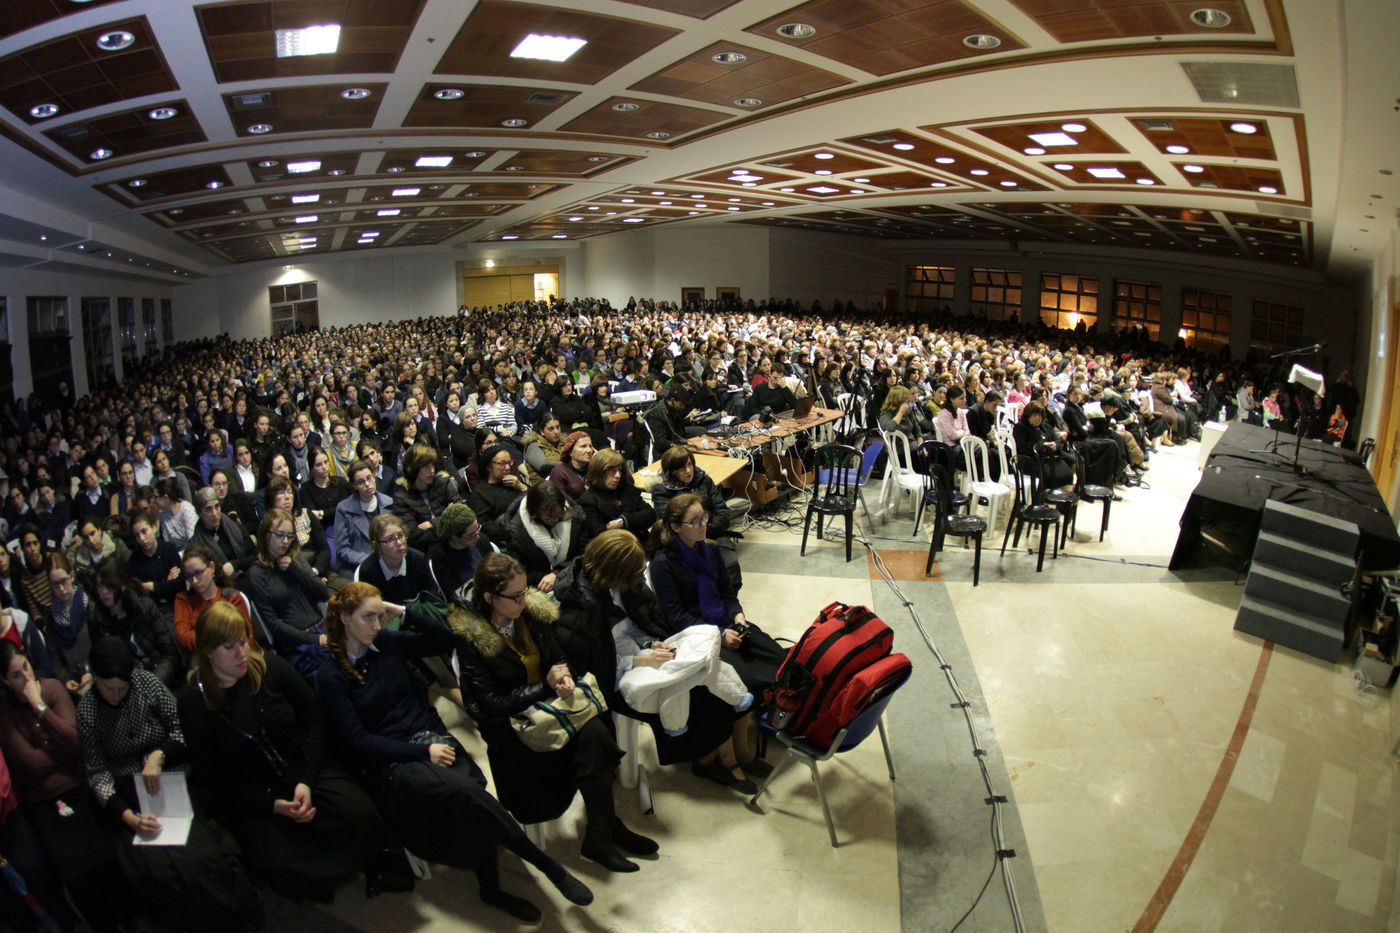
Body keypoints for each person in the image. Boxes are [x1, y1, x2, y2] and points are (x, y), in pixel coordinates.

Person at [315, 583, 594, 922]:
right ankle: (548, 867)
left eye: (378, 616)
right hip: (393, 760)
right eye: (367, 617)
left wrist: (403, 612)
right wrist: (422, 752)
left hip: (429, 736)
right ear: (345, 618)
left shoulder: (385, 643)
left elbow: (446, 641)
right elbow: (357, 740)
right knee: (467, 794)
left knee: (471, 796)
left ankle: (491, 889)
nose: (376, 625)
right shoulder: (330, 674)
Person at [453, 553, 656, 872]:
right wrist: (544, 687)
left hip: (549, 708)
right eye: (515, 597)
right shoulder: (471, 638)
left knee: (596, 732)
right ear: (490, 598)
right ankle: (604, 831)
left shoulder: (530, 613)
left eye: (524, 592)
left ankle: (602, 831)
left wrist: (561, 673)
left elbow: (556, 653)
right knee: (592, 740)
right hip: (514, 725)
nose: (523, 601)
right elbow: (490, 703)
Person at [177, 601, 389, 903]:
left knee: (361, 813)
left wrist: (305, 780)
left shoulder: (269, 666)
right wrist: (271, 805)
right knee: (281, 861)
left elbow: (313, 719)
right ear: (208, 651)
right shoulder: (192, 701)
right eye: (229, 647)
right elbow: (214, 775)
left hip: (302, 769)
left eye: (243, 642)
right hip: (256, 795)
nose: (241, 654)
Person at [76, 636, 261, 932]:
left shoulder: (146, 683)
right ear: (94, 678)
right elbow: (97, 772)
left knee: (201, 855)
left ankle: (236, 913)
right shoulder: (87, 711)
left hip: (170, 775)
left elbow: (181, 727)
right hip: (128, 792)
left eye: (121, 689)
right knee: (156, 869)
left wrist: (159, 755)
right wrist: (126, 816)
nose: (115, 695)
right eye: (108, 688)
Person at [553, 531, 755, 794]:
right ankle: (717, 759)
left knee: (707, 674)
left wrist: (651, 644)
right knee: (696, 691)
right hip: (613, 676)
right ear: (616, 572)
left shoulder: (621, 587)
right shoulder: (579, 609)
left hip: (636, 655)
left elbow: (634, 626)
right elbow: (593, 666)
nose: (639, 579)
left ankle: (717, 756)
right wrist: (638, 660)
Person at [0, 641, 136, 932]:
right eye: (16, 675)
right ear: (5, 681)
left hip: (78, 782)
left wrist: (39, 707)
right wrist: (59, 747)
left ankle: (129, 915)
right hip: (45, 798)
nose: (26, 677)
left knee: (106, 852)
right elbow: (31, 764)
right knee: (73, 867)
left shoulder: (51, 689)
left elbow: (76, 743)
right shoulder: (5, 713)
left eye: (26, 667)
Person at [648, 494, 783, 703]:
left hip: (723, 621)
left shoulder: (710, 549)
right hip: (697, 635)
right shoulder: (663, 563)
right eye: (695, 521)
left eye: (704, 517)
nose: (703, 524)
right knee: (758, 679)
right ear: (676, 527)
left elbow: (726, 592)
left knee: (780, 659)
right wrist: (719, 634)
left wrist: (737, 614)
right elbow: (676, 616)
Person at [248, 508, 331, 659]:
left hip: (322, 628)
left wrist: (295, 569)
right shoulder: (257, 573)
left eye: (290, 536)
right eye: (279, 535)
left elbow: (323, 594)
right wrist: (314, 639)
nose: (285, 541)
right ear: (266, 535)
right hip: (296, 644)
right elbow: (274, 624)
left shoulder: (295, 558)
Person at [89, 559, 181, 690]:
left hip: (161, 678)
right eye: (100, 586)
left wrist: (153, 683)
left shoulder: (144, 607)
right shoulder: (98, 621)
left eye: (109, 585)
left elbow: (170, 654)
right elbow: (104, 664)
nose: (104, 591)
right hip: (129, 686)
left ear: (122, 585)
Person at [498, 482, 584, 593]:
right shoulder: (515, 533)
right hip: (539, 585)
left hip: (572, 574)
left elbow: (584, 553)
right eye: (549, 517)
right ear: (535, 513)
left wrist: (557, 574)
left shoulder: (574, 515)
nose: (556, 520)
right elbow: (520, 570)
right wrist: (546, 577)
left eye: (559, 514)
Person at [173, 543, 255, 657]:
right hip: (202, 661)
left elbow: (246, 636)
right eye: (189, 576)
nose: (194, 581)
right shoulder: (183, 600)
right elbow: (183, 639)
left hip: (236, 657)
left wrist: (206, 639)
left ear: (211, 567)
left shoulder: (232, 597)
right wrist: (225, 636)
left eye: (198, 573)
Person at [354, 513, 441, 604]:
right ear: (376, 545)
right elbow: (371, 608)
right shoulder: (368, 571)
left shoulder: (418, 559)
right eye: (390, 539)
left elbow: (433, 599)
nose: (399, 542)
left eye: (400, 535)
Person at [391, 443, 461, 552]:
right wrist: (449, 518)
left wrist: (431, 523)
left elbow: (463, 512)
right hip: (426, 551)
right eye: (426, 466)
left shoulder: (444, 483)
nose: (432, 470)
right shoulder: (401, 498)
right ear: (411, 468)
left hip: (454, 544)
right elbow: (413, 536)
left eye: (432, 465)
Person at [41, 554, 93, 698]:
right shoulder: (51, 618)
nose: (62, 589)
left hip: (96, 672)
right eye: (55, 584)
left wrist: (91, 671)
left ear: (72, 576)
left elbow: (101, 642)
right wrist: (65, 679)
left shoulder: (89, 606)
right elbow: (54, 655)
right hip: (73, 683)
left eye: (64, 581)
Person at [332, 460, 394, 579]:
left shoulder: (388, 503)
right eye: (361, 482)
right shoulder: (343, 509)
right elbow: (342, 549)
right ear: (354, 486)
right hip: (356, 566)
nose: (367, 484)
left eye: (369, 478)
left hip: (387, 562)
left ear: (374, 476)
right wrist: (369, 561)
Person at [579, 449, 656, 542]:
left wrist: (622, 521)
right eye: (612, 470)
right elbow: (600, 535)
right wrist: (636, 519)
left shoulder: (626, 489)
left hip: (640, 541)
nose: (618, 475)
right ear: (599, 471)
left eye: (619, 470)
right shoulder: (589, 500)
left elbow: (651, 514)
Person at [426, 503, 494, 598]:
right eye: (471, 535)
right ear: (454, 536)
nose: (477, 536)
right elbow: (453, 595)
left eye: (477, 529)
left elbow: (496, 569)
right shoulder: (440, 555)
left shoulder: (481, 540)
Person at [126, 511, 185, 606]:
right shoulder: (134, 560)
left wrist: (151, 586)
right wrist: (167, 583)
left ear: (154, 528)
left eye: (144, 531)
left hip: (174, 604)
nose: (141, 538)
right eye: (137, 535)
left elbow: (181, 584)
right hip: (151, 609)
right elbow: (138, 594)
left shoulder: (169, 549)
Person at [469, 444, 527, 536]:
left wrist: (522, 487)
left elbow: (537, 499)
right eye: (503, 463)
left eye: (509, 462)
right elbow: (484, 525)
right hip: (507, 535)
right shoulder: (480, 492)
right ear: (489, 467)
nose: (508, 467)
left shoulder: (515, 481)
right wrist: (512, 534)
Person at [1013, 402, 1075, 488]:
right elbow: (1022, 447)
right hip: (1033, 458)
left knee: (1070, 469)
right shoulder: (1020, 427)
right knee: (1050, 476)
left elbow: (1056, 439)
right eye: (1034, 415)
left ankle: (1066, 492)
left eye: (1039, 415)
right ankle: (1046, 494)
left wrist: (1055, 445)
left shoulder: (1045, 425)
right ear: (1028, 416)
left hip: (1051, 456)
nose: (1037, 418)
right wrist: (1041, 446)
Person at [299, 446, 350, 524]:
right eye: (318, 465)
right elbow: (312, 517)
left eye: (326, 462)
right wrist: (334, 511)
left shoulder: (341, 482)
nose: (324, 467)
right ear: (312, 468)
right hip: (321, 529)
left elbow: (346, 508)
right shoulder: (306, 489)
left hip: (345, 524)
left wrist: (322, 513)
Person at [547, 431, 595, 500]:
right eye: (583, 446)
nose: (589, 450)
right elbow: (561, 501)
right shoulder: (559, 472)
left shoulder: (594, 468)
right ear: (570, 451)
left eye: (590, 446)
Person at [154, 477, 199, 550]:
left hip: (192, 550)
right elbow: (167, 543)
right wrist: (156, 518)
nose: (154, 500)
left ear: (165, 497)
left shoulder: (186, 509)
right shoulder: (163, 514)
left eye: (155, 497)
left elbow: (194, 540)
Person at [522, 414, 565, 484]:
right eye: (551, 429)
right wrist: (570, 465)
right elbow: (543, 466)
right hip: (543, 487)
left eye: (558, 427)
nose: (556, 432)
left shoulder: (565, 442)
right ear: (542, 431)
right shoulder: (534, 445)